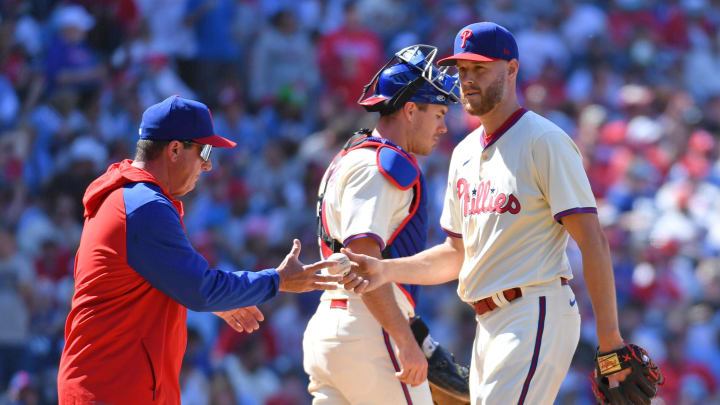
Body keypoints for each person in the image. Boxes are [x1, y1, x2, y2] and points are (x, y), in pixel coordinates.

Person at [344, 23, 643, 404]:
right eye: (462, 70)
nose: (466, 80)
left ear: (512, 69)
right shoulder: (463, 153)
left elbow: (593, 242)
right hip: (488, 324)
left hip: (535, 311)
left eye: (479, 69)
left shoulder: (545, 141)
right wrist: (386, 269)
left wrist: (610, 343)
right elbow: (455, 255)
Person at [57, 95, 366, 404]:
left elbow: (165, 283)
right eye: (204, 150)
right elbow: (200, 289)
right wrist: (278, 280)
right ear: (175, 149)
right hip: (111, 389)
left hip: (113, 384)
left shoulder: (131, 199)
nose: (207, 165)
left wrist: (216, 299)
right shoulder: (143, 206)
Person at [302, 45, 460, 404]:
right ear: (409, 110)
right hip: (371, 334)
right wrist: (404, 341)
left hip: (332, 328)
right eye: (437, 113)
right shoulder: (383, 165)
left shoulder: (353, 155)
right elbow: (362, 260)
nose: (442, 126)